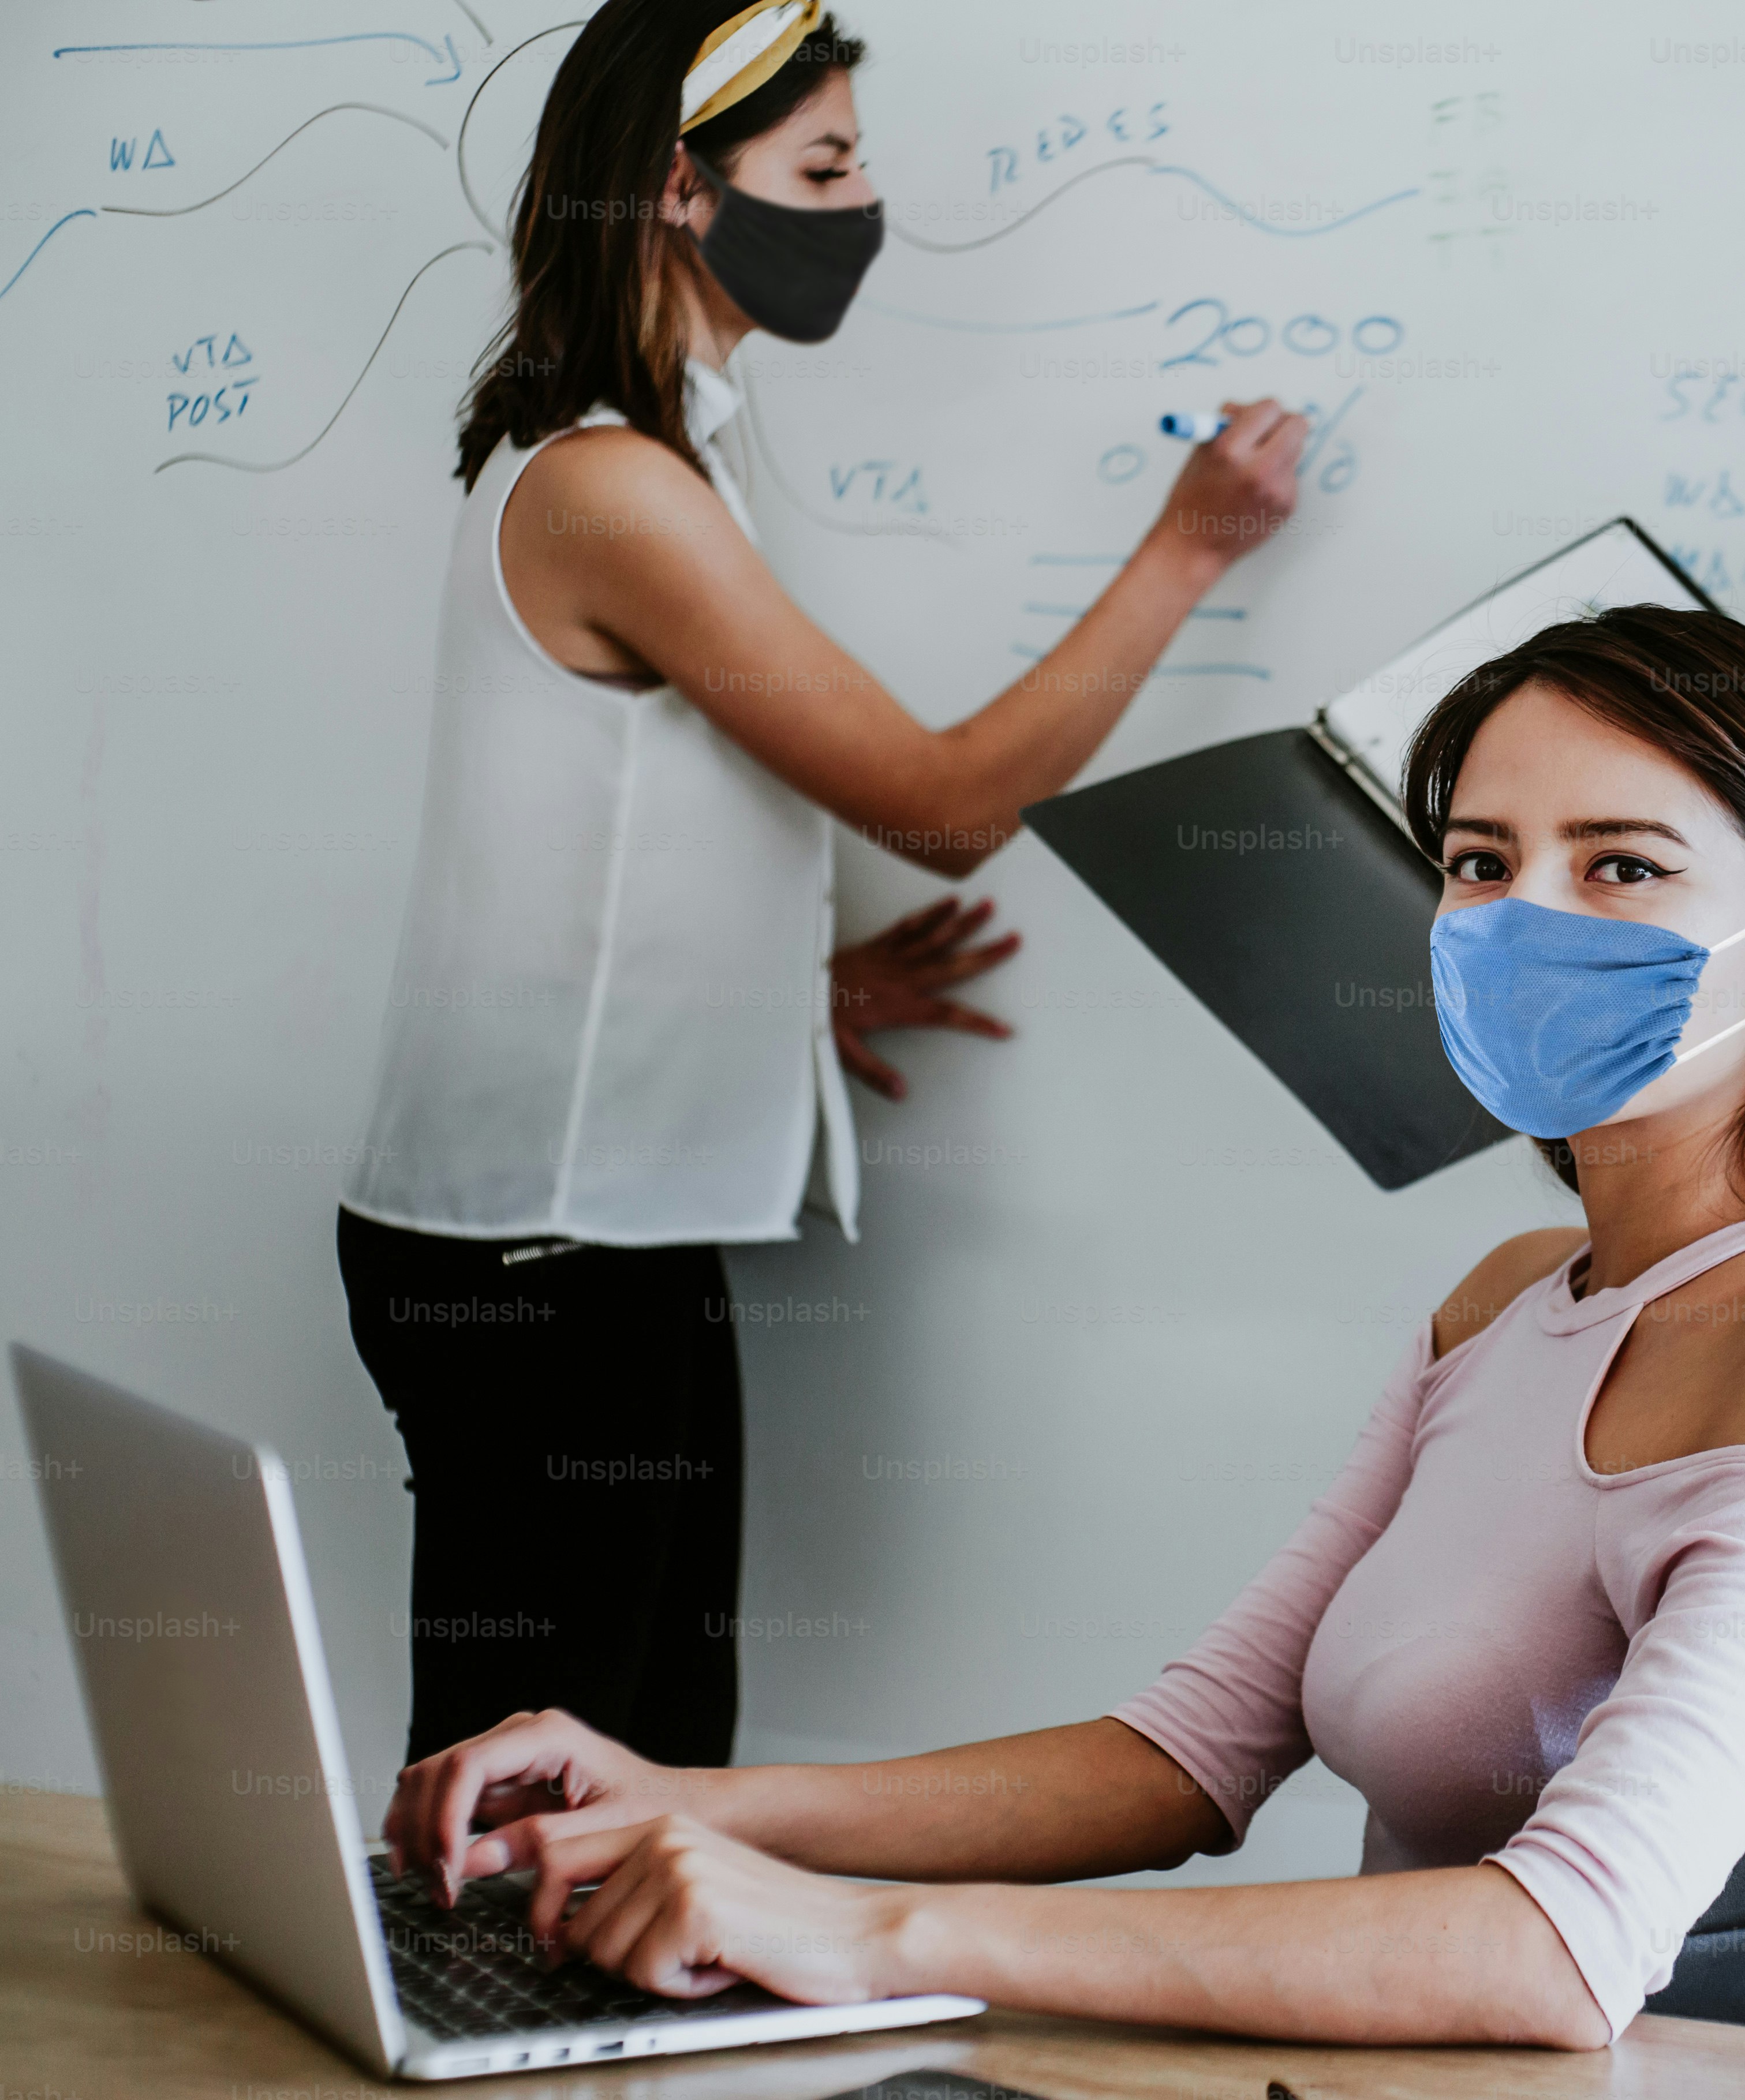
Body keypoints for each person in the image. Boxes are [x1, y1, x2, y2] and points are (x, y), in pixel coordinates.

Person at [376, 608, 1745, 2049]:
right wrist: (689, 1804)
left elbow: (1561, 1952)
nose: (1521, 916)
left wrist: (868, 1935)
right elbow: (1189, 1754)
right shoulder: (1504, 1298)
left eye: (1619, 865)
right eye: (1482, 863)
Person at [337, 0, 1305, 1769]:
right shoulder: (611, 487)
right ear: (685, 193)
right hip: (538, 1262)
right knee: (546, 1790)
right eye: (829, 165)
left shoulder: (647, 455)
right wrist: (1187, 551)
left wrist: (794, 996)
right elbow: (940, 809)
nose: (865, 204)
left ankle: (581, 2038)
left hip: (589, 1239)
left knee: (637, 1772)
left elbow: (604, 830)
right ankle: (488, 2037)